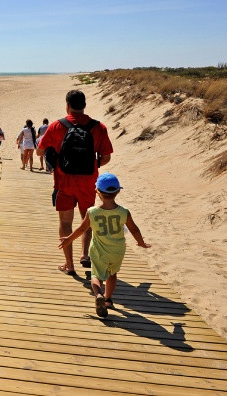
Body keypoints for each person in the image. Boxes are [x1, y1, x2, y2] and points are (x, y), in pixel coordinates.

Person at [37, 90, 113, 276]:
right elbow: (106, 158)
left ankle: (69, 264)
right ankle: (84, 254)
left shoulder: (56, 126)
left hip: (63, 183)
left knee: (65, 222)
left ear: (67, 105)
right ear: (84, 105)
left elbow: (40, 152)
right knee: (87, 220)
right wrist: (92, 165)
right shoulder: (99, 127)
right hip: (88, 182)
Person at [59, 172, 150, 317]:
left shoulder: (92, 212)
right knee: (112, 274)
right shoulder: (124, 212)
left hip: (98, 250)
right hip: (117, 250)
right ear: (118, 191)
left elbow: (82, 229)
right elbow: (134, 229)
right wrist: (141, 243)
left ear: (97, 191)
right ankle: (108, 299)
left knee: (96, 275)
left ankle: (99, 295)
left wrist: (68, 239)